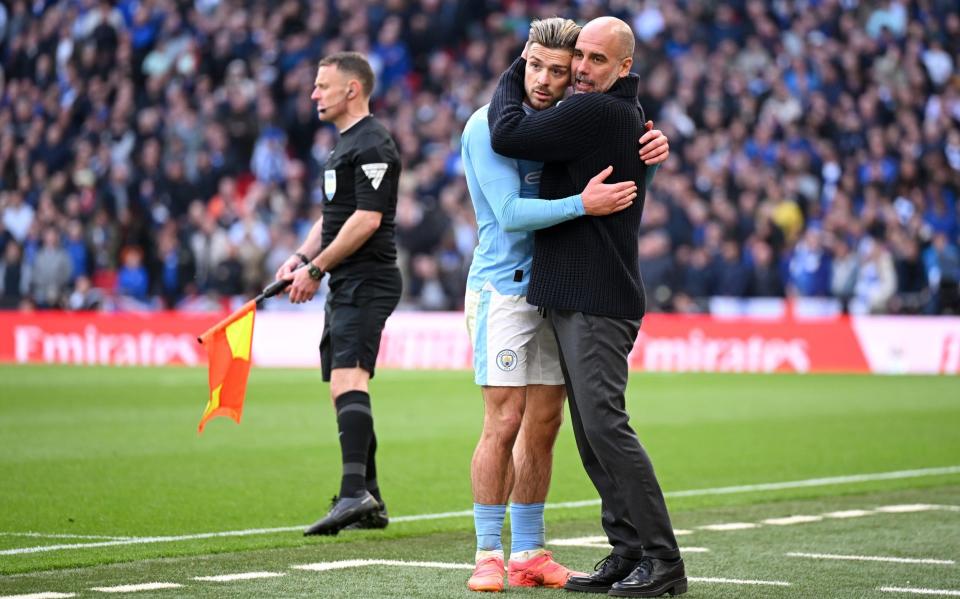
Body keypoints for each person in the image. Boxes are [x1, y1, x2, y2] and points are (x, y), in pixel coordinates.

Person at [463, 17, 670, 594]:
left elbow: (616, 116)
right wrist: (582, 203)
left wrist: (645, 141)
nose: (557, 75)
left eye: (567, 66)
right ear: (523, 60)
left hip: (560, 292)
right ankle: (487, 552)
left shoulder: (568, 117)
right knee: (504, 421)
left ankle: (529, 550)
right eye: (543, 64)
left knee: (551, 425)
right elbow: (507, 213)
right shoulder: (490, 125)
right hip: (506, 286)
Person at [275, 52, 402, 536]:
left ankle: (354, 493)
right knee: (343, 385)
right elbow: (332, 218)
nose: (313, 94)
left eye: (322, 85)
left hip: (367, 279)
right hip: (349, 281)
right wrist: (298, 257)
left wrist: (315, 268)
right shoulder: (345, 144)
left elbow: (367, 220)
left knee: (348, 381)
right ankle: (370, 499)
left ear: (352, 90)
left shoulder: (373, 143)